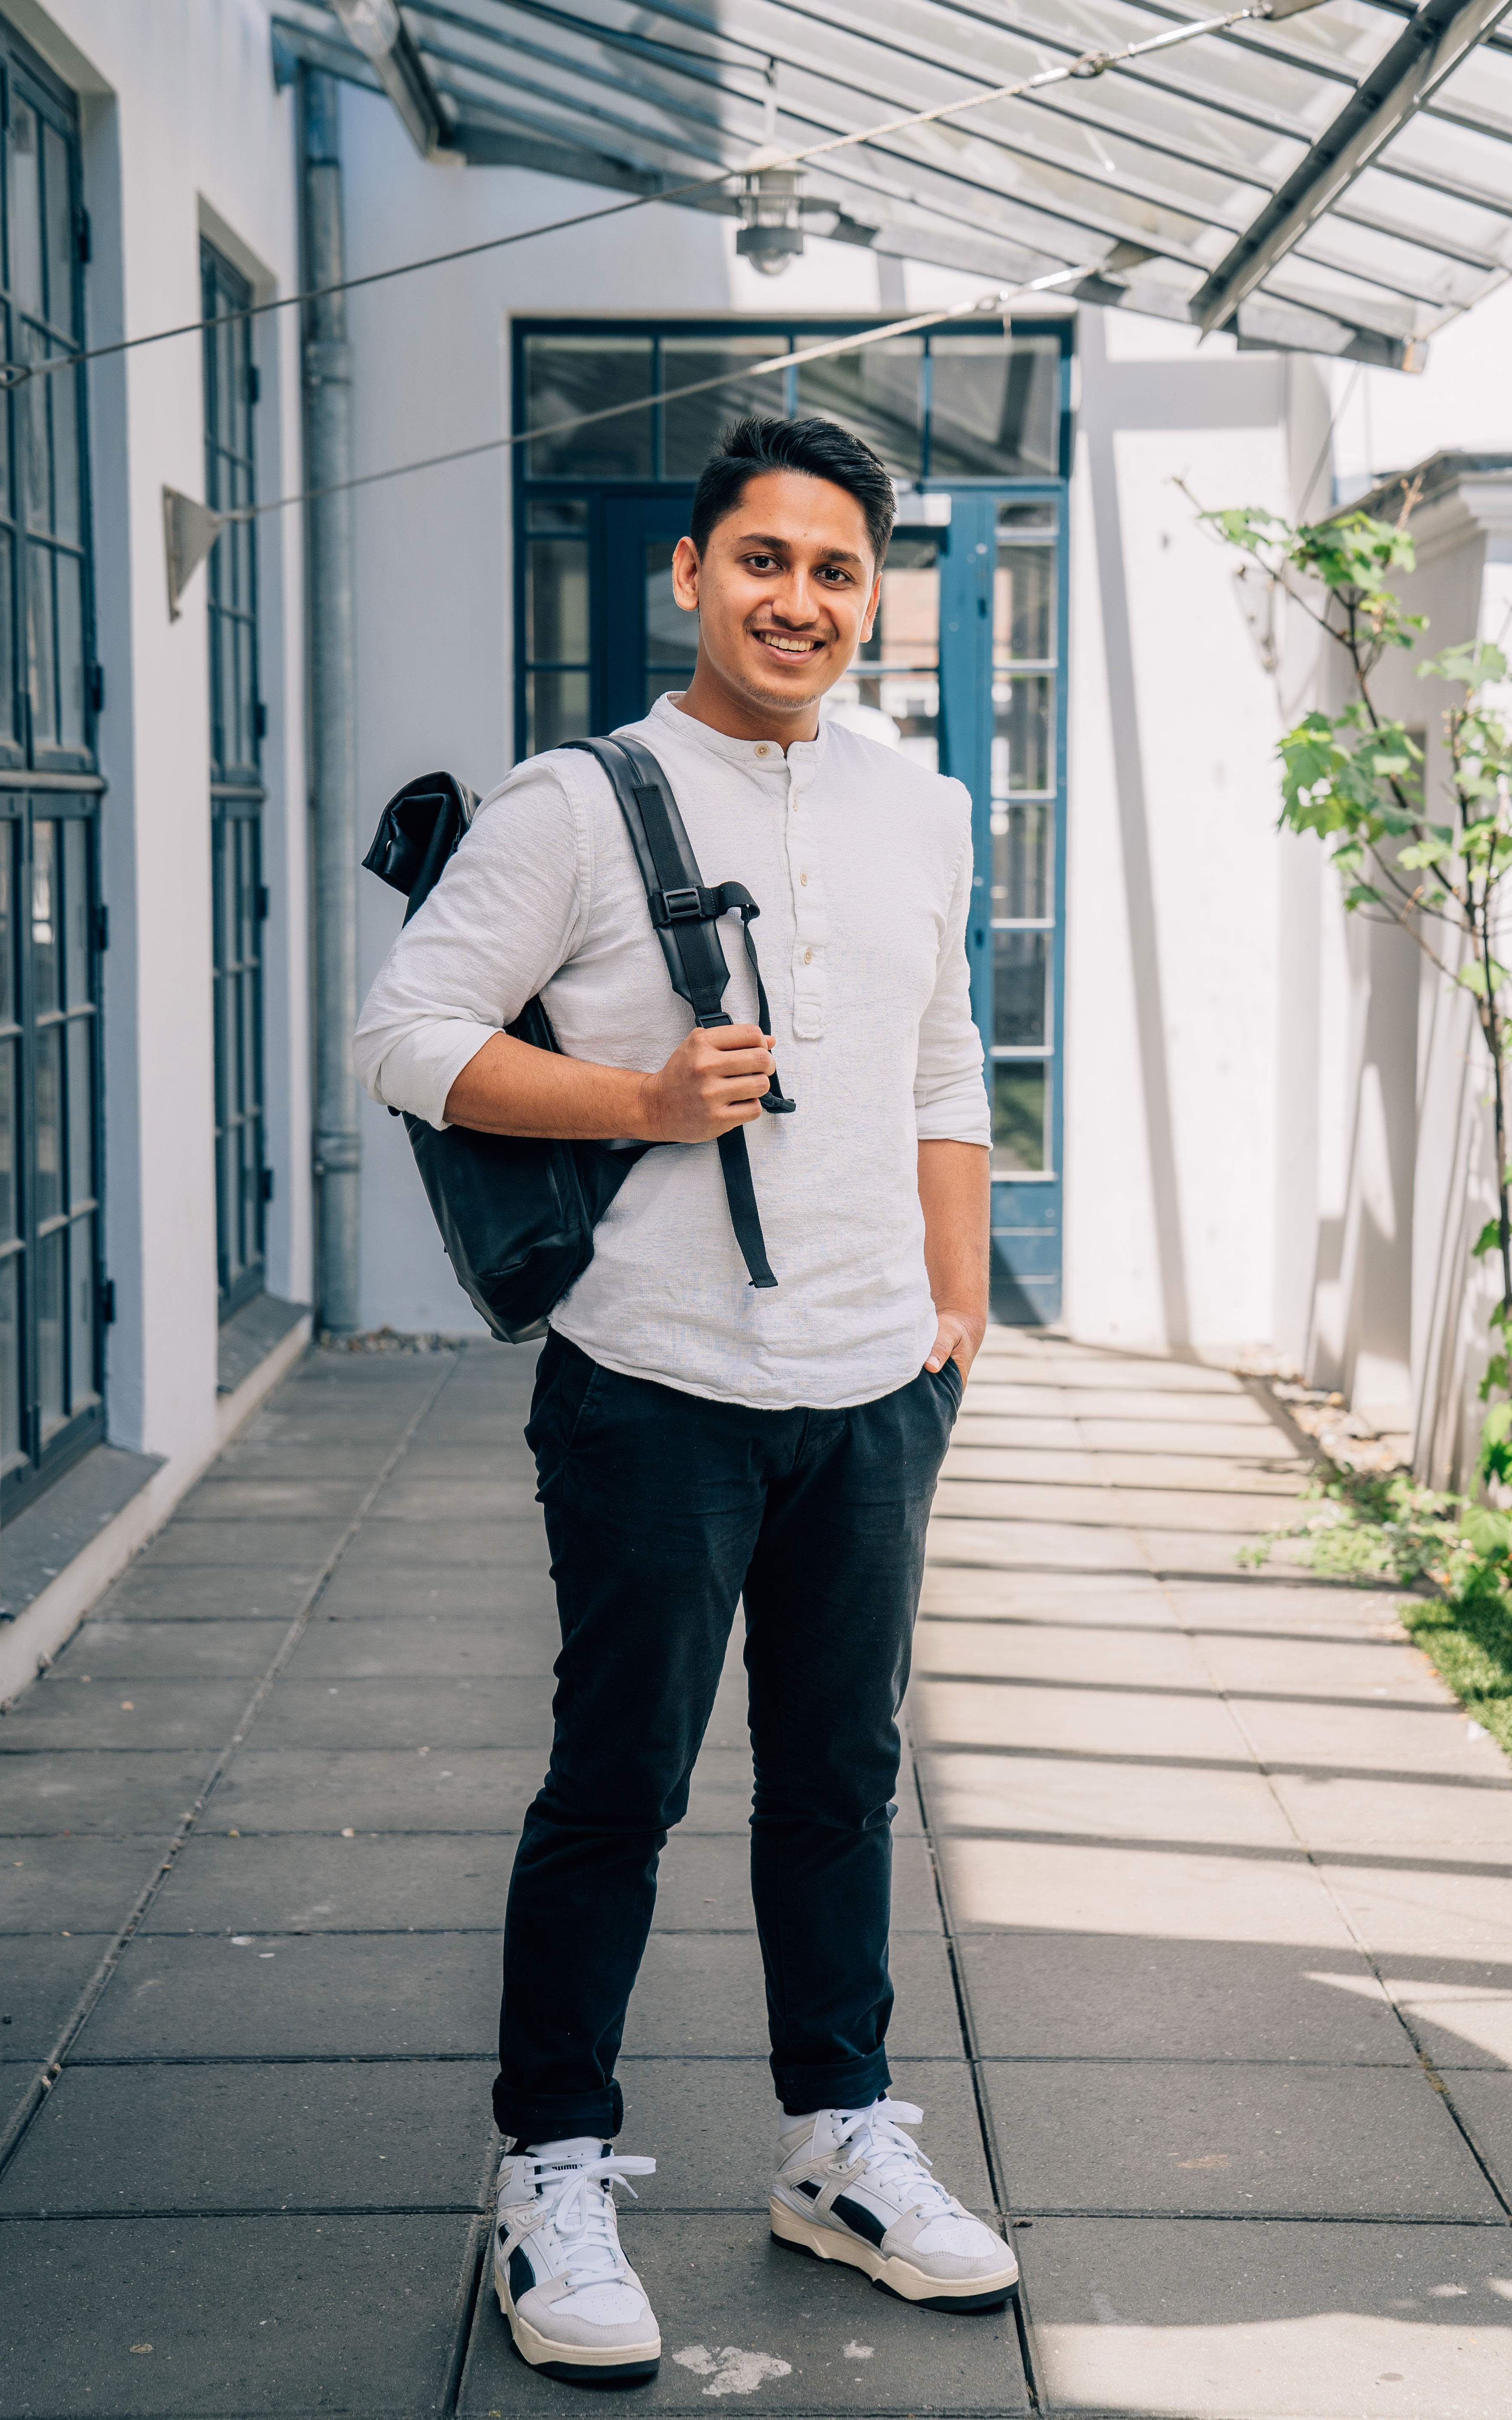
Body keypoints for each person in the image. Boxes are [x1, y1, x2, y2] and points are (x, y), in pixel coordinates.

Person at [353, 413, 1012, 2386]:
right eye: (761, 560)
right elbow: (407, 1034)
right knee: (617, 1789)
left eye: (832, 569)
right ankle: (549, 2168)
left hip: (874, 1383)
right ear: (690, 574)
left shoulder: (926, 808)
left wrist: (956, 1304)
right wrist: (637, 1102)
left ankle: (841, 2142)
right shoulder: (579, 801)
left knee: (838, 1779)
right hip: (656, 1386)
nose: (795, 599)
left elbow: (942, 1062)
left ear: (868, 594)